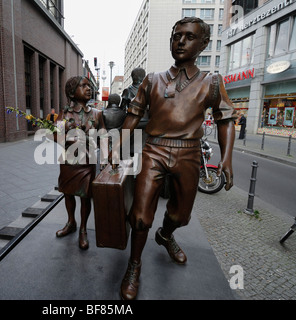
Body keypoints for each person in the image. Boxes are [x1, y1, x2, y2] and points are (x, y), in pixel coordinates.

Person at [110, 17, 236, 300]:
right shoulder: (152, 79)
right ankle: (134, 265)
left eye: (189, 37)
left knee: (181, 215)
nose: (180, 41)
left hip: (189, 153)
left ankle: (166, 235)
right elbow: (133, 115)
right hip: (154, 149)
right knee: (140, 217)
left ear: (203, 44)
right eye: (176, 36)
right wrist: (119, 145)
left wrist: (226, 159)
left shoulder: (212, 82)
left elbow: (225, 120)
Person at [54, 76, 106, 250]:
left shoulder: (97, 113)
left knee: (85, 195)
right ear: (71, 92)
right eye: (83, 86)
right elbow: (56, 136)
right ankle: (71, 222)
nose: (88, 88)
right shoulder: (65, 113)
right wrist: (64, 132)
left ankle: (83, 229)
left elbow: (104, 135)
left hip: (87, 161)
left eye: (89, 86)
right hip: (68, 160)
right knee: (68, 193)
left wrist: (106, 156)